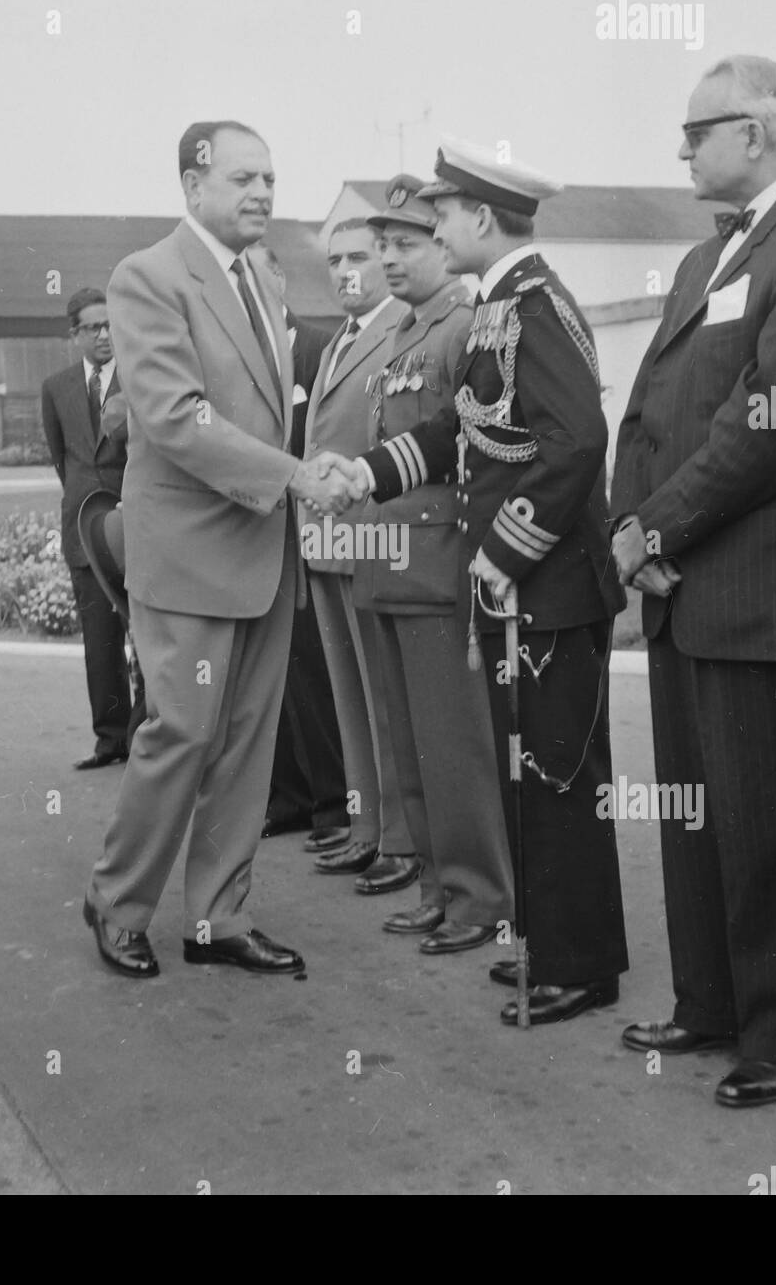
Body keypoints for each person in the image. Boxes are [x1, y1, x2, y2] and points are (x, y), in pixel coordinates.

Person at [610, 56, 776, 1106]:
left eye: (694, 131)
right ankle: (711, 1000)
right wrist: (631, 520)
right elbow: (646, 412)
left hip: (759, 591)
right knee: (694, 816)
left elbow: (770, 422)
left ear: (757, 134)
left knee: (773, 828)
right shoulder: (704, 259)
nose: (682, 150)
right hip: (684, 586)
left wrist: (656, 524)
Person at [350, 139, 629, 1022]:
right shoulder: (505, 302)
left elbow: (576, 443)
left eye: (440, 216)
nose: (431, 228)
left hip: (547, 588)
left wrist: (502, 552)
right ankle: (554, 948)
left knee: (556, 780)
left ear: (477, 219)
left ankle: (578, 969)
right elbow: (459, 432)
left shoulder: (530, 305)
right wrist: (367, 474)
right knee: (534, 777)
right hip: (529, 593)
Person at [83, 120, 358, 979]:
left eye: (270, 179)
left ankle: (218, 918)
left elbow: (268, 408)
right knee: (180, 733)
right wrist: (294, 477)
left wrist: (314, 470)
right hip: (192, 553)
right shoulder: (148, 277)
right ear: (192, 184)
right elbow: (174, 417)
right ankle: (117, 900)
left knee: (245, 741)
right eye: (243, 178)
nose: (262, 194)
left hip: (261, 549)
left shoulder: (262, 280)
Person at [354, 174, 514, 951]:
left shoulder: (466, 327)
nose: (388, 258)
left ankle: (479, 896)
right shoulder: (401, 333)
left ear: (443, 246)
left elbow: (474, 452)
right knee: (407, 741)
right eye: (381, 245)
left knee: (452, 746)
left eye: (407, 243)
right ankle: (432, 882)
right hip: (387, 564)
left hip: (439, 563)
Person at [301, 219, 419, 891]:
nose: (345, 271)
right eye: (334, 260)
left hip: (373, 535)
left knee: (383, 700)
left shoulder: (402, 327)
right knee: (348, 698)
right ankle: (365, 826)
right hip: (326, 537)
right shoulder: (337, 341)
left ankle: (400, 839)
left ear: (387, 262)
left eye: (359, 258)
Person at [252, 243, 349, 849]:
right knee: (274, 676)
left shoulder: (320, 348)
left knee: (316, 670)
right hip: (257, 538)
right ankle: (286, 798)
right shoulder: (238, 360)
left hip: (311, 532)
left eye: (258, 275)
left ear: (281, 280)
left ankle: (335, 805)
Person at [41, 286, 133, 769]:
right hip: (84, 532)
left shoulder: (141, 379)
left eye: (111, 323)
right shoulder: (55, 388)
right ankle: (110, 740)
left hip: (137, 528)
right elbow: (63, 459)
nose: (104, 335)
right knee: (99, 645)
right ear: (73, 334)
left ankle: (150, 739)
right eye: (93, 327)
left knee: (148, 639)